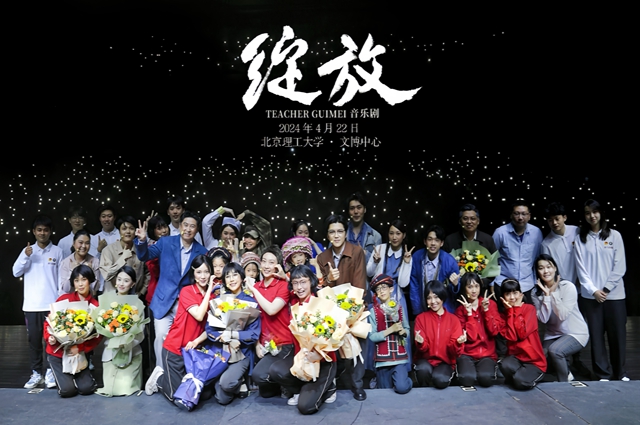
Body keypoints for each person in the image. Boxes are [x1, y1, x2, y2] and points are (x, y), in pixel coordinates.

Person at [135, 211, 209, 369]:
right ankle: (161, 373)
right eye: (185, 225)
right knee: (161, 337)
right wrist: (141, 241)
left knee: (183, 340)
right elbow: (145, 256)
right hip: (164, 302)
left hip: (187, 304)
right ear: (180, 226)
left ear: (197, 230)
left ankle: (178, 374)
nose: (188, 229)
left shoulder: (202, 251)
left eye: (192, 226)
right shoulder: (165, 242)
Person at [144, 255, 215, 410]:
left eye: (206, 272)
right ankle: (159, 378)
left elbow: (212, 327)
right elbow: (199, 315)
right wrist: (210, 288)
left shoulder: (213, 297)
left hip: (193, 351)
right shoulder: (187, 291)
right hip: (175, 349)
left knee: (204, 395)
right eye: (199, 272)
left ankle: (179, 380)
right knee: (177, 396)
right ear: (193, 273)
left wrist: (197, 341)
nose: (203, 276)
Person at [271, 265, 338, 414]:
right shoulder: (294, 301)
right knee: (275, 370)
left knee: (306, 407)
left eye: (303, 282)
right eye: (295, 283)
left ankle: (330, 388)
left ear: (311, 281)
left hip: (323, 360)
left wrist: (319, 355)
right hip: (301, 357)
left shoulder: (322, 300)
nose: (299, 287)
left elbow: (336, 333)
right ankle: (298, 390)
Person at [574, 199, 628, 381]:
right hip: (591, 297)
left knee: (617, 336)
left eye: (595, 212)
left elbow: (620, 266)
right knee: (596, 337)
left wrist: (606, 288)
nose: (592, 216)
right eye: (587, 213)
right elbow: (581, 270)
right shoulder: (580, 239)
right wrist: (594, 291)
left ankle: (620, 373)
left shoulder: (614, 236)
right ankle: (602, 373)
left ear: (601, 213)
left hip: (615, 295)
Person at [317, 214, 367, 401]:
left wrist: (351, 311)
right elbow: (321, 287)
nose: (336, 235)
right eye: (332, 232)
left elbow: (360, 284)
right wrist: (329, 279)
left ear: (346, 233)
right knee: (331, 347)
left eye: (340, 231)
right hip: (331, 310)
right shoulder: (322, 257)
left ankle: (357, 385)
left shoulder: (357, 252)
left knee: (357, 346)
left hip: (354, 307)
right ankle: (331, 384)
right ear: (327, 235)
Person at [13, 214, 64, 390]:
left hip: (51, 305)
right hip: (32, 305)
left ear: (50, 232)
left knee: (53, 340)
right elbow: (15, 272)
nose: (42, 233)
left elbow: (61, 278)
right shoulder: (28, 250)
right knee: (34, 341)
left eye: (46, 230)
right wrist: (26, 256)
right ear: (34, 232)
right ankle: (36, 373)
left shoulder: (57, 251)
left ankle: (50, 371)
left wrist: (59, 302)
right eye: (39, 230)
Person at [244, 246, 295, 399]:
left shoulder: (282, 285)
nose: (266, 266)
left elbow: (271, 309)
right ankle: (279, 382)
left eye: (271, 262)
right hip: (266, 344)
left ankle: (289, 383)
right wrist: (256, 344)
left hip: (284, 343)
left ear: (278, 266)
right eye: (264, 261)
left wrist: (254, 290)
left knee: (268, 374)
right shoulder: (257, 286)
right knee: (263, 387)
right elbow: (252, 319)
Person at [206, 262, 260, 405]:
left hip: (241, 353)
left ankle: (238, 380)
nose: (231, 279)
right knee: (220, 397)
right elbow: (209, 330)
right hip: (222, 351)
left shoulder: (250, 302)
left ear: (242, 277)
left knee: (225, 387)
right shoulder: (218, 301)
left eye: (235, 275)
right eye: (227, 276)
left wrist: (234, 336)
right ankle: (236, 382)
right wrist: (224, 338)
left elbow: (254, 334)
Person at [44, 265, 102, 397]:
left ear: (90, 281)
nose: (80, 284)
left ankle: (78, 379)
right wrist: (50, 337)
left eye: (84, 279)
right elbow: (48, 322)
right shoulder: (63, 300)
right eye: (76, 280)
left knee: (87, 389)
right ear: (73, 283)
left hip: (79, 354)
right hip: (58, 353)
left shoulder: (95, 306)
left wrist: (79, 348)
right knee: (67, 391)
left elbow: (97, 337)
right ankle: (62, 378)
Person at [532, 254, 588, 382]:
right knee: (540, 356)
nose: (546, 271)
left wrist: (553, 294)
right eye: (541, 268)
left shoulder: (568, 287)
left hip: (575, 333)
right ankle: (567, 373)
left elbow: (562, 315)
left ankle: (563, 384)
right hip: (553, 334)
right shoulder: (535, 292)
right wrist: (546, 296)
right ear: (537, 272)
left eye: (549, 267)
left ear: (555, 268)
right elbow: (543, 319)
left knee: (555, 350)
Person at [97, 266, 146, 396]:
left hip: (131, 350)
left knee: (125, 389)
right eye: (119, 279)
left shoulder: (137, 304)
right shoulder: (107, 300)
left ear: (133, 284)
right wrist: (115, 340)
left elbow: (140, 332)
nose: (121, 284)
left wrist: (125, 343)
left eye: (126, 280)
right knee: (110, 390)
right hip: (111, 350)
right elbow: (101, 325)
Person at [413, 280, 465, 389]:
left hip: (445, 362)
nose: (433, 301)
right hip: (425, 360)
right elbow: (423, 349)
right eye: (429, 298)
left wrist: (458, 343)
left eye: (436, 297)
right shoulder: (421, 318)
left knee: (440, 379)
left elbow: (454, 352)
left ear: (442, 297)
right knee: (423, 371)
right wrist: (421, 343)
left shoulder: (453, 320)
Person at [455, 272, 503, 388]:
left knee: (486, 379)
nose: (474, 290)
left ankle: (491, 369)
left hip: (487, 354)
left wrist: (486, 311)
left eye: (476, 286)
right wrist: (469, 314)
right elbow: (471, 337)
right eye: (470, 287)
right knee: (467, 379)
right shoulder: (460, 310)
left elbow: (493, 331)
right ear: (464, 289)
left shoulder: (491, 304)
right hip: (467, 353)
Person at [498, 278, 546, 390]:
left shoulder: (530, 309)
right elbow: (512, 337)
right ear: (502, 297)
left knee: (520, 382)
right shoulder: (503, 315)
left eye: (515, 293)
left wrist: (516, 309)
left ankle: (529, 376)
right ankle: (520, 376)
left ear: (521, 294)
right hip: (516, 358)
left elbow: (521, 334)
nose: (512, 297)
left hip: (534, 361)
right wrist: (511, 311)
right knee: (504, 365)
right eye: (508, 294)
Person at [368, 274, 412, 394]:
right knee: (384, 391)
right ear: (376, 294)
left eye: (384, 287)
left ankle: (407, 381)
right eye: (378, 289)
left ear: (391, 289)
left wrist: (403, 332)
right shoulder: (373, 312)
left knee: (402, 387)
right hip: (382, 359)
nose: (381, 291)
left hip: (399, 358)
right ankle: (378, 380)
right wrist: (391, 329)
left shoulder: (400, 308)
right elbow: (372, 336)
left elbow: (407, 329)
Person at [492, 201, 543, 305]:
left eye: (524, 214)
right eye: (516, 214)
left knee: (527, 314)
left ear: (529, 216)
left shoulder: (536, 232)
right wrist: (492, 283)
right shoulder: (500, 232)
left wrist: (538, 283)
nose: (520, 217)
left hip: (527, 285)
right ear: (511, 215)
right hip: (503, 284)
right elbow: (491, 259)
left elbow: (538, 259)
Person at [409, 225, 461, 315]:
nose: (433, 243)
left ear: (442, 243)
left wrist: (455, 285)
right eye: (430, 239)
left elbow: (455, 291)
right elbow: (414, 286)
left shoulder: (449, 261)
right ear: (425, 241)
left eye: (437, 240)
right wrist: (418, 311)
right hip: (423, 307)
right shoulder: (417, 257)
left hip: (444, 308)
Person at [100, 216, 149, 295]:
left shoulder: (140, 250)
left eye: (131, 228)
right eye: (124, 229)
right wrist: (122, 258)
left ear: (135, 231)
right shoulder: (108, 250)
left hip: (135, 297)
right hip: (112, 297)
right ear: (119, 231)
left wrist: (141, 292)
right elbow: (107, 275)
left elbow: (147, 273)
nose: (128, 231)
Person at [541, 202, 579, 285]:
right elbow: (548, 268)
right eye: (550, 220)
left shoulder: (576, 231)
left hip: (580, 282)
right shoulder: (546, 244)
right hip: (561, 285)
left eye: (557, 219)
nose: (554, 222)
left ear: (564, 217)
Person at [59, 229, 101, 295]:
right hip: (71, 299)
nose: (83, 246)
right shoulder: (66, 262)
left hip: (88, 299)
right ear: (73, 243)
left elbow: (96, 288)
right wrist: (71, 271)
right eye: (80, 242)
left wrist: (91, 272)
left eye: (87, 243)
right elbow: (66, 289)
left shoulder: (95, 261)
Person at [346, 191, 382, 265]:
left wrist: (364, 254)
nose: (356, 211)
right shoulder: (339, 232)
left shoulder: (375, 236)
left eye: (359, 207)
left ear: (364, 209)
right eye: (352, 208)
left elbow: (378, 265)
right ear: (349, 211)